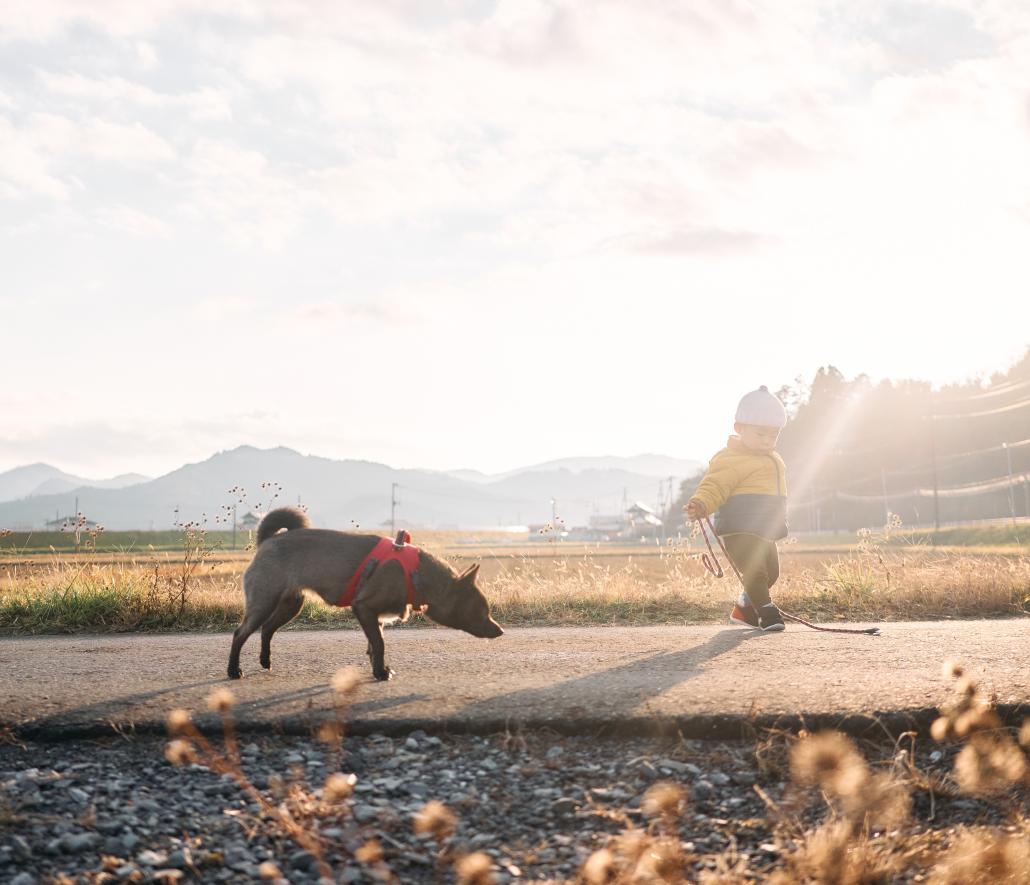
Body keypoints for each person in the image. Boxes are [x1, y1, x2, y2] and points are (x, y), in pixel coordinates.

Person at [683, 386, 789, 631]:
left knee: (771, 573)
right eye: (761, 434)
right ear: (739, 428)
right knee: (754, 571)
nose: (767, 441)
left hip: (765, 528)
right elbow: (714, 485)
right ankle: (767, 613)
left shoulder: (773, 459)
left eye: (773, 436)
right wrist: (701, 504)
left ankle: (744, 609)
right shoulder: (730, 459)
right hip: (739, 528)